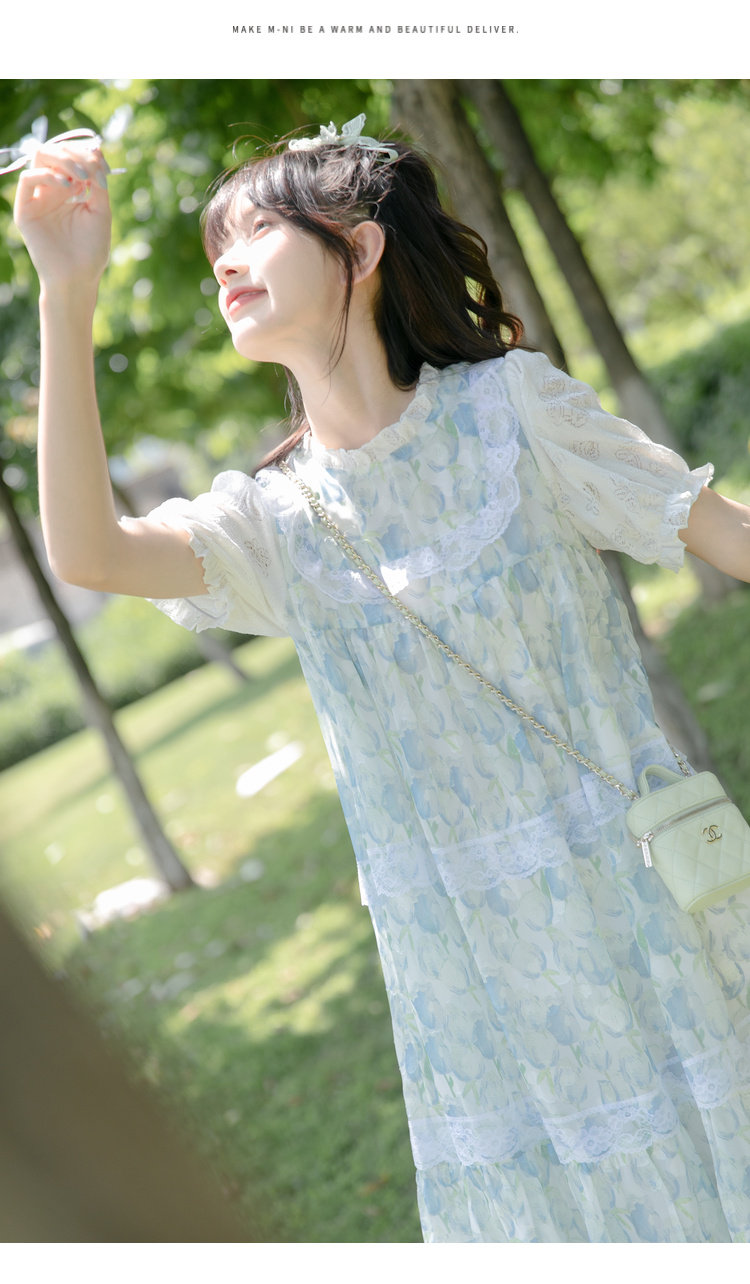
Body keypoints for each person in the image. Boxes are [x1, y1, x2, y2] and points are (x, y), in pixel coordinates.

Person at [10, 113, 750, 1244]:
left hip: (646, 902)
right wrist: (67, 292)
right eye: (218, 246)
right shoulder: (273, 524)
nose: (225, 263)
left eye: (257, 232)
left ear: (359, 250)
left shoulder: (513, 414)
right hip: (470, 970)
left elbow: (728, 537)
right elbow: (88, 554)